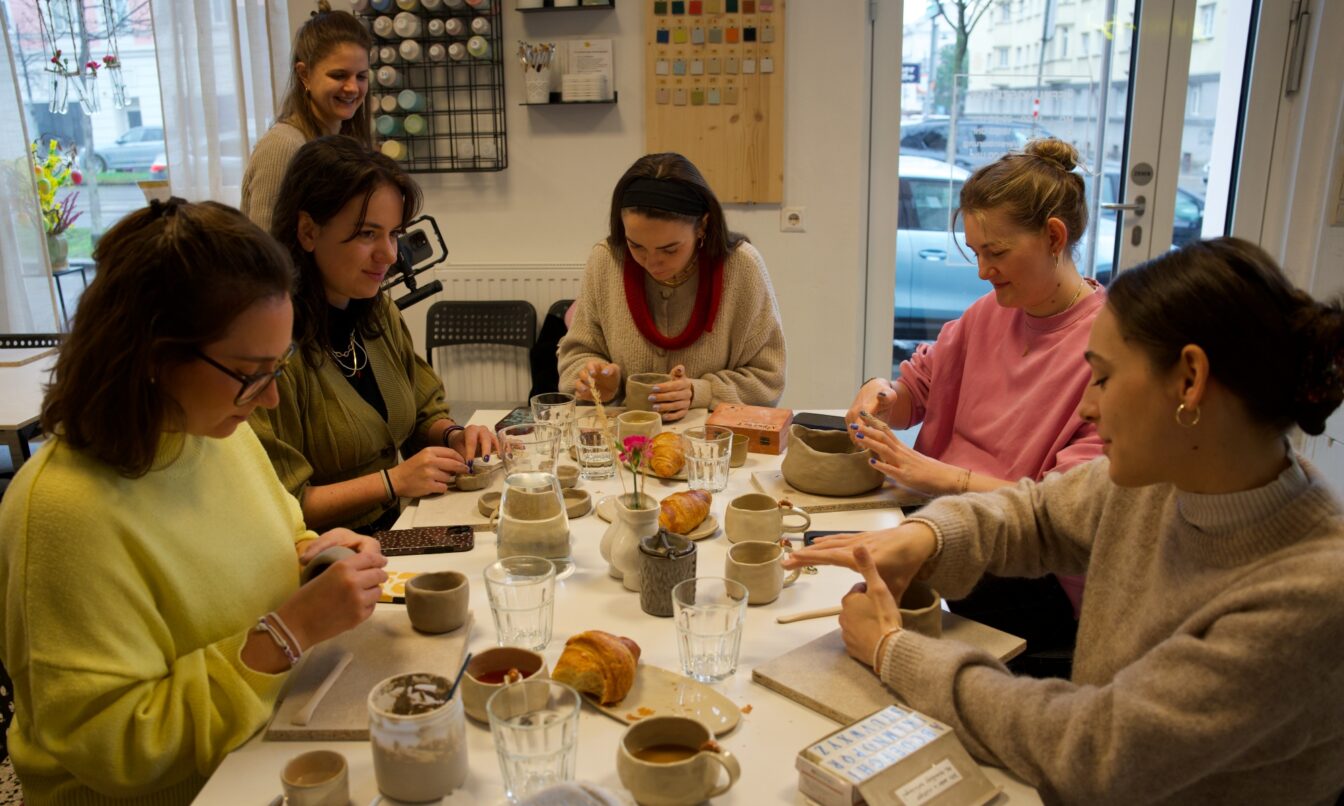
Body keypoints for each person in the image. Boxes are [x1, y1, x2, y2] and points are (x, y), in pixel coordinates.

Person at [790, 237, 1344, 804]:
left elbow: (1095, 748)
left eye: (1102, 378)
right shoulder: (1172, 476)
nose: (1087, 407)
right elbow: (1036, 513)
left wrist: (892, 650)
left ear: (1190, 379)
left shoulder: (1310, 593)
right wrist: (925, 538)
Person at [0, 199, 388, 804]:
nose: (270, 400)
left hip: (258, 749)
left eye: (277, 367)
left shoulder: (211, 432)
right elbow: (116, 743)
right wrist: (288, 633)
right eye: (250, 372)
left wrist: (317, 555)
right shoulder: (64, 508)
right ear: (153, 357)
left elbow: (279, 537)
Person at [845, 138, 1103, 665]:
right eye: (976, 251)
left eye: (997, 252)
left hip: (1029, 570)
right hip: (943, 518)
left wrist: (936, 476)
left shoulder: (1107, 347)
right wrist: (881, 394)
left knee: (871, 618)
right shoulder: (990, 312)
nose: (983, 270)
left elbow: (1062, 517)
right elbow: (916, 389)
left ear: (1055, 236)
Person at [250, 136, 497, 533]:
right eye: (368, 234)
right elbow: (281, 504)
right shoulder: (272, 345)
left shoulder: (375, 311)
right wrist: (392, 481)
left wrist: (453, 435)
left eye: (394, 234)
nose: (390, 255)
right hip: (327, 558)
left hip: (393, 527)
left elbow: (420, 412)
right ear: (308, 231)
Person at [557, 152, 786, 420]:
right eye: (636, 246)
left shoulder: (742, 266)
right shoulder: (607, 259)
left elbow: (769, 378)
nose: (652, 262)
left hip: (711, 442)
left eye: (670, 249)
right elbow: (575, 357)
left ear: (703, 225)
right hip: (626, 435)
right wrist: (598, 380)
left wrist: (699, 392)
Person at [240, 1, 372, 230]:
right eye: (339, 75)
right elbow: (267, 256)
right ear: (304, 75)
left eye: (361, 77)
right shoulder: (283, 147)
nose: (352, 88)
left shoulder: (346, 145)